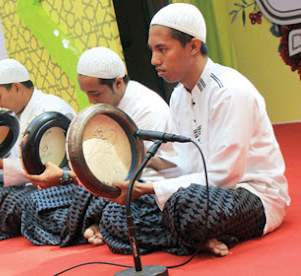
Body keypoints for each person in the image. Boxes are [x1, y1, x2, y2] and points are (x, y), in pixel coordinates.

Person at [97, 3, 289, 257]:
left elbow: (223, 177)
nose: (154, 60)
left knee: (187, 206)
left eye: (162, 49)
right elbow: (186, 165)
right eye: (153, 50)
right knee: (114, 214)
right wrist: (147, 165)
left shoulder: (230, 92)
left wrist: (152, 189)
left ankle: (187, 235)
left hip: (250, 195)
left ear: (193, 46)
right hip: (197, 195)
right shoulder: (178, 96)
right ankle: (195, 239)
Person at [20, 46, 178, 246]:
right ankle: (93, 224)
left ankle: (97, 225)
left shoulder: (147, 110)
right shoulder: (105, 107)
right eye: (87, 94)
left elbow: (127, 175)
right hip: (97, 187)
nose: (90, 100)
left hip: (141, 189)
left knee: (114, 215)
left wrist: (64, 176)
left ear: (118, 83)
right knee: (34, 203)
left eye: (95, 93)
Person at [0, 58, 76, 240]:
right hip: (27, 186)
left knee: (19, 202)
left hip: (61, 187)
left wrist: (2, 165)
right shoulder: (17, 116)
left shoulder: (51, 110)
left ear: (16, 87)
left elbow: (49, 171)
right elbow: (21, 163)